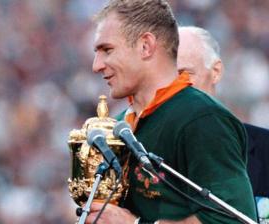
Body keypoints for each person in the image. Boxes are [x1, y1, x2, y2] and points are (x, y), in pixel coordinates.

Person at [86, 0, 257, 223]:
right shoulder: (117, 126)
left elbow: (235, 220)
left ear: (145, 46)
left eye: (107, 50)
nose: (96, 65)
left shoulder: (202, 118)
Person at [177, 25, 269, 219]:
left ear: (216, 71)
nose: (176, 86)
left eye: (186, 73)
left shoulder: (265, 148)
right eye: (169, 77)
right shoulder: (143, 154)